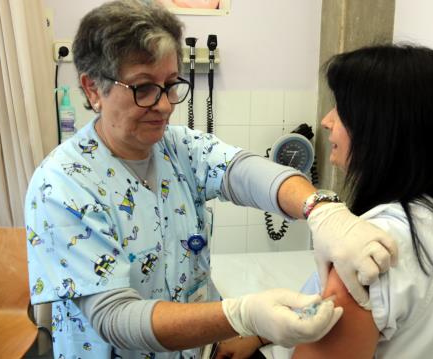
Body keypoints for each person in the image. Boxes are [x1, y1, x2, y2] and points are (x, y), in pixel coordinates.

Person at [24, 1, 399, 359]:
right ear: (93, 89)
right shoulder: (61, 185)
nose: (166, 104)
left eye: (171, 83)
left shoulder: (177, 146)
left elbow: (243, 171)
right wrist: (240, 315)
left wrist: (318, 209)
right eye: (143, 88)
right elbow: (114, 317)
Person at [216, 44, 433, 359]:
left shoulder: (366, 255)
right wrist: (260, 335)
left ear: (380, 126)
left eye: (340, 107)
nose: (326, 121)